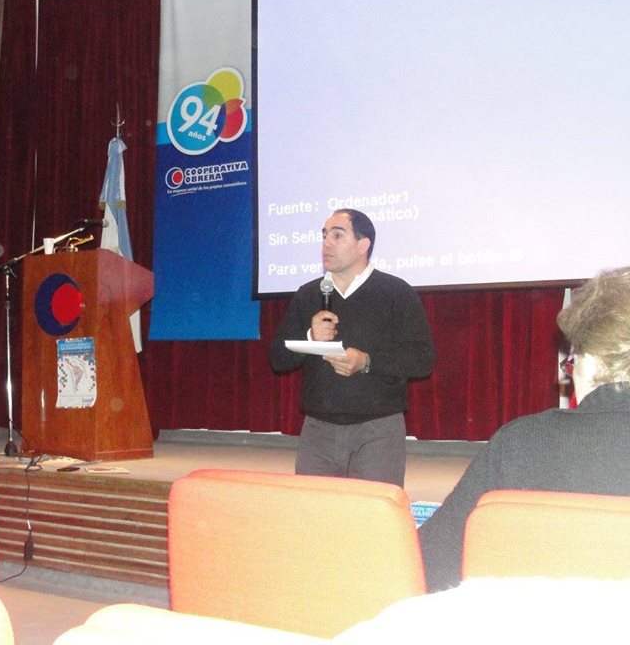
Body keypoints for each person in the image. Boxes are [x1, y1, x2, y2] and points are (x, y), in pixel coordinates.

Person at [419, 265, 630, 592]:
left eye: (572, 361)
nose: (567, 374)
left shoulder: (522, 442)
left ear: (594, 361)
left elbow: (431, 562)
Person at [269, 209, 435, 485]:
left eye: (337, 235)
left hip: (378, 430)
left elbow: (422, 359)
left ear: (363, 245)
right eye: (324, 235)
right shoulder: (308, 294)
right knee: (315, 508)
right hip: (318, 430)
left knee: (372, 510)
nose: (326, 243)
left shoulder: (396, 292)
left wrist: (366, 362)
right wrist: (310, 337)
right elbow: (278, 359)